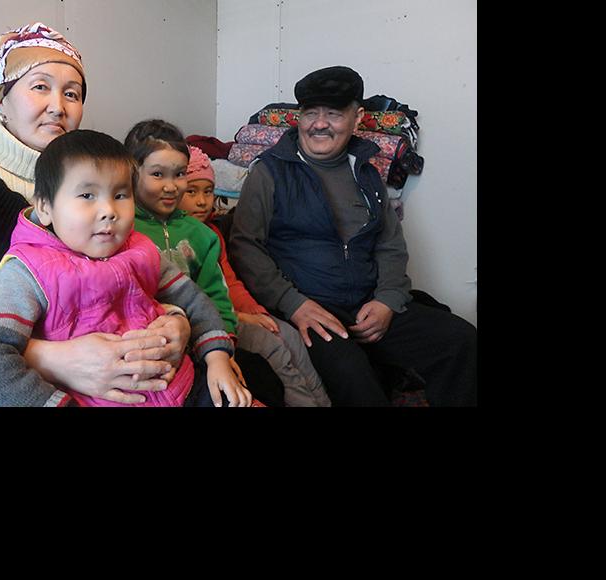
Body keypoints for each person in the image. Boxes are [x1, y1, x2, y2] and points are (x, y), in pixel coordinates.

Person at [0, 23, 187, 406]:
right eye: (40, 86)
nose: (58, 106)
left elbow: (136, 279)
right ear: (1, 98)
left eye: (72, 93)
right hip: (4, 378)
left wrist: (175, 321)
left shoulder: (104, 182)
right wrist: (55, 359)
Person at [229, 65, 477, 406]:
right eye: (310, 113)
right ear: (299, 118)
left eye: (333, 114)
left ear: (357, 118)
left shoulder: (366, 171)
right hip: (311, 308)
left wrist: (388, 300)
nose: (319, 123)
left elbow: (390, 244)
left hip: (369, 303)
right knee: (356, 383)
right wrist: (293, 303)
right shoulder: (269, 171)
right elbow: (245, 247)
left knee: (460, 341)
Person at [0, 130, 252, 407]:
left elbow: (194, 299)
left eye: (120, 195)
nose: (109, 211)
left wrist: (217, 357)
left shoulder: (141, 249)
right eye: (87, 195)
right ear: (44, 207)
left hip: (184, 387)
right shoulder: (27, 272)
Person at [124, 120, 287, 407]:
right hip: (144, 346)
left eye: (179, 174)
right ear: (132, 172)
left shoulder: (202, 234)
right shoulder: (123, 228)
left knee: (259, 382)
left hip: (202, 342)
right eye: (158, 174)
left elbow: (215, 296)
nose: (171, 186)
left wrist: (224, 353)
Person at [182, 145, 331, 407]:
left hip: (233, 311)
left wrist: (255, 310)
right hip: (215, 321)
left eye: (208, 192)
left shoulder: (213, 233)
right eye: (191, 191)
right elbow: (198, 297)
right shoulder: (181, 237)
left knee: (289, 336)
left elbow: (229, 282)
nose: (202, 201)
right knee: (276, 349)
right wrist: (241, 316)